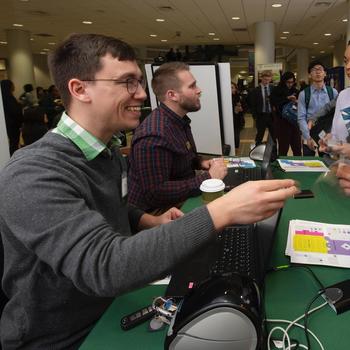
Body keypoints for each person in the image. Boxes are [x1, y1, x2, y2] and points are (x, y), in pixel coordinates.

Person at [0, 33, 298, 349]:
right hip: (66, 337)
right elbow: (104, 266)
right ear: (79, 89)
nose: (142, 94)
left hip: (113, 306)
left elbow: (110, 207)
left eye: (140, 82)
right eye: (128, 82)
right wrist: (223, 211)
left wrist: (144, 220)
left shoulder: (107, 153)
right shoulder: (33, 173)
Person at [128, 62, 228, 212]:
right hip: (157, 213)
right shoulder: (153, 135)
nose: (199, 90)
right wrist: (208, 178)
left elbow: (181, 158)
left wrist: (200, 162)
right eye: (192, 86)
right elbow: (155, 193)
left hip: (178, 200)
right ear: (172, 95)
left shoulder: (178, 121)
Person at [297, 60, 338, 156]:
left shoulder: (333, 92)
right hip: (309, 132)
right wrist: (307, 137)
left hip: (327, 133)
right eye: (314, 70)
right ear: (309, 75)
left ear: (325, 74)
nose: (318, 72)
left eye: (320, 69)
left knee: (328, 163)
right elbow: (301, 118)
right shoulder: (304, 94)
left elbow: (336, 115)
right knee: (309, 164)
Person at [270, 72, 301, 156]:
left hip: (294, 123)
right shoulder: (277, 90)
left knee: (297, 147)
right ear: (284, 81)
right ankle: (281, 165)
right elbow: (274, 102)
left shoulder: (295, 91)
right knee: (283, 148)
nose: (290, 84)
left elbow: (302, 105)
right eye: (288, 82)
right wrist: (287, 99)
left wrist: (296, 102)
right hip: (282, 123)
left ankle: (298, 166)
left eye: (292, 82)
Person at [249, 70, 274, 145]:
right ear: (261, 78)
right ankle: (257, 151)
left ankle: (273, 153)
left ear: (270, 79)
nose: (266, 81)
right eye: (265, 79)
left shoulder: (273, 89)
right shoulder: (255, 90)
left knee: (273, 135)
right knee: (259, 135)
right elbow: (252, 104)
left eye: (268, 79)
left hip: (271, 116)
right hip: (261, 116)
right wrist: (255, 116)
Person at [0, 79, 23, 155]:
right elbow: (15, 111)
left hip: (7, 124)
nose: (14, 86)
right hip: (12, 125)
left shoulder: (3, 97)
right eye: (12, 85)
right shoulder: (9, 98)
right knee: (14, 143)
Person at [231, 82, 245, 150]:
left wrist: (241, 109)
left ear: (236, 89)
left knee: (236, 137)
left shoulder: (239, 97)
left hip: (237, 120)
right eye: (230, 87)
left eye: (232, 88)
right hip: (229, 121)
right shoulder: (225, 98)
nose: (231, 89)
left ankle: (236, 150)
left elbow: (244, 108)